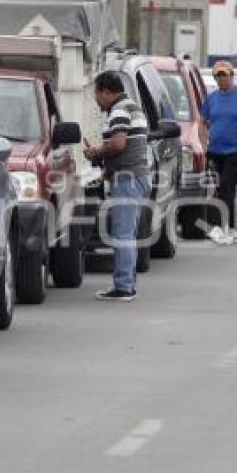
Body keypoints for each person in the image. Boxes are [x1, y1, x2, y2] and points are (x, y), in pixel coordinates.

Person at [83, 71, 151, 302]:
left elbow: (119, 143)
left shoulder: (119, 110)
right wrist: (106, 171)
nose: (96, 99)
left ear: (106, 91)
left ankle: (123, 287)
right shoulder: (132, 106)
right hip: (136, 177)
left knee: (122, 234)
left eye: (96, 93)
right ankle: (127, 284)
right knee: (127, 234)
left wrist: (97, 152)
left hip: (128, 179)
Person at [200, 60, 237, 245]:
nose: (222, 79)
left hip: (234, 151)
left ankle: (224, 227)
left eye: (225, 75)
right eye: (218, 76)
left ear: (232, 76)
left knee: (227, 186)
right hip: (214, 151)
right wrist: (204, 146)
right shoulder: (212, 98)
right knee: (218, 189)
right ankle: (229, 228)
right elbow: (202, 122)